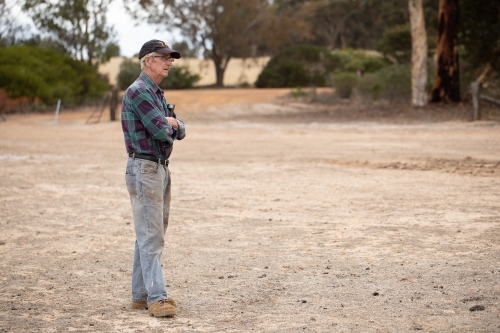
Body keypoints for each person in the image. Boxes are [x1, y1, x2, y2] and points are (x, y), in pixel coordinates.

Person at [121, 39, 186, 317]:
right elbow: (162, 130)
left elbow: (178, 128)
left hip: (159, 167)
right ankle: (157, 298)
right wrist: (171, 123)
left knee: (148, 233)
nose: (169, 61)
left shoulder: (156, 93)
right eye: (163, 57)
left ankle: (141, 295)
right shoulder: (139, 92)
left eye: (170, 57)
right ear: (148, 60)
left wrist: (173, 124)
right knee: (151, 235)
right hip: (146, 167)